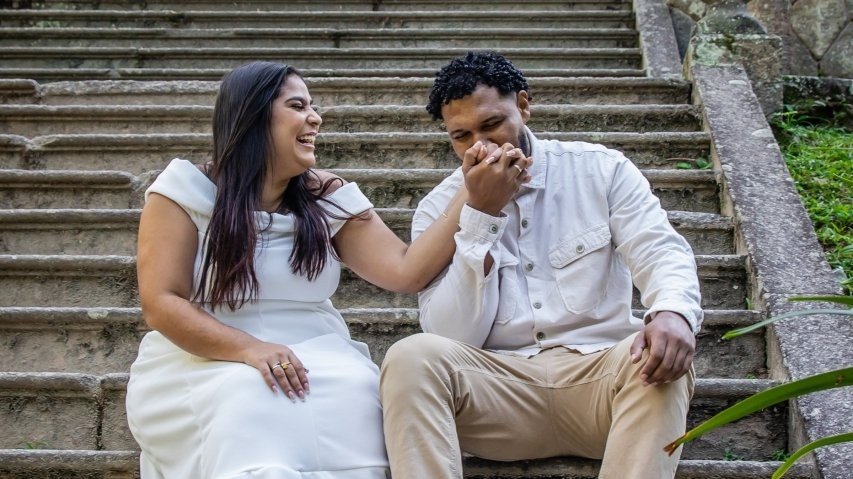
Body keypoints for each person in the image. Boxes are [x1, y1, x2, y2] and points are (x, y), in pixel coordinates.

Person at [125, 61, 532, 478]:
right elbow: (161, 303)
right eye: (298, 106)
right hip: (206, 358)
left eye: (313, 107)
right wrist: (250, 349)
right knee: (249, 394)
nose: (315, 118)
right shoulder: (183, 190)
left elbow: (406, 271)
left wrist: (473, 191)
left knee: (358, 391)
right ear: (253, 115)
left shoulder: (325, 196)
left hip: (318, 353)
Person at [379, 51, 703, 479]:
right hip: (497, 396)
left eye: (492, 124)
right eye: (461, 135)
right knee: (410, 356)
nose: (481, 145)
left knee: (657, 356)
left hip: (602, 382)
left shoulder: (601, 170)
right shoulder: (437, 209)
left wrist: (673, 312)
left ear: (523, 105)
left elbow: (658, 248)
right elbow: (450, 335)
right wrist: (480, 216)